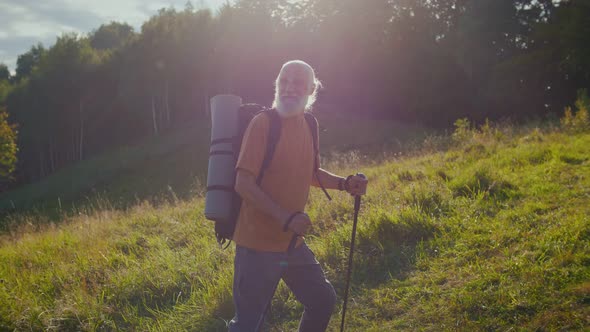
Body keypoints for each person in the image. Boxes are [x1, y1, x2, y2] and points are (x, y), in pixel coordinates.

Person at [229, 60, 368, 332]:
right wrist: (286, 217)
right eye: (284, 81)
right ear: (277, 85)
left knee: (322, 300)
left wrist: (345, 183)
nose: (290, 88)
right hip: (256, 245)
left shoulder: (309, 124)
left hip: (291, 244)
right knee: (249, 325)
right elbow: (243, 183)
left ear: (311, 89)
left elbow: (310, 172)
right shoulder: (263, 124)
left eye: (298, 83)